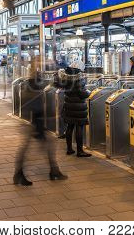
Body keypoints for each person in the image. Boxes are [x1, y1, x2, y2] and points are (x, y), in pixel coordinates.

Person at [13, 57, 67, 186]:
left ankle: (53, 170)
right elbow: (35, 102)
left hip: (35, 120)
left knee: (48, 144)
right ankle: (19, 174)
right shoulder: (31, 84)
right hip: (32, 121)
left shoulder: (32, 83)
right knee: (29, 147)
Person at [54, 66, 91, 157]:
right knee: (79, 127)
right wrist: (89, 92)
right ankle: (80, 151)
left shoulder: (65, 79)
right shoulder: (79, 80)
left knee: (69, 127)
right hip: (78, 107)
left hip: (69, 105)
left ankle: (69, 149)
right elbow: (82, 93)